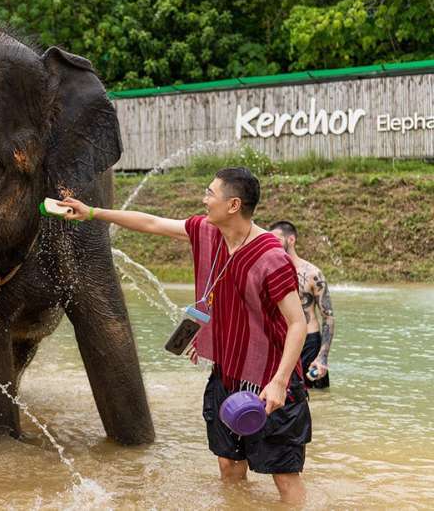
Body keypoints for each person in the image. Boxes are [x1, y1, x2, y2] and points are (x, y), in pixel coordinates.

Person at [59, 167, 310, 505]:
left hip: (269, 383)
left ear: (233, 205)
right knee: (228, 462)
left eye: (210, 193)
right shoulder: (207, 231)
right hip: (227, 374)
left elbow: (297, 323)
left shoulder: (271, 256)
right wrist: (91, 212)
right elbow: (152, 223)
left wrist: (280, 381)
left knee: (284, 472)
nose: (204, 199)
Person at [269, 221, 334, 389]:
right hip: (282, 340)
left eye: (276, 239)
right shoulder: (271, 271)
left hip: (309, 343)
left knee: (316, 397)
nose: (272, 243)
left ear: (291, 240)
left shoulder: (312, 274)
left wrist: (322, 357)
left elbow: (328, 317)